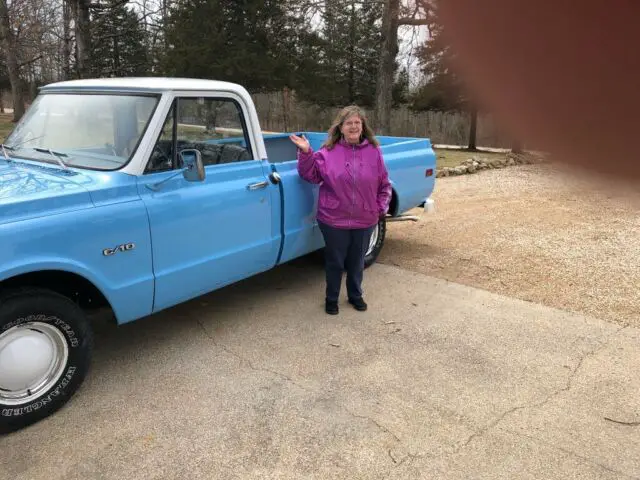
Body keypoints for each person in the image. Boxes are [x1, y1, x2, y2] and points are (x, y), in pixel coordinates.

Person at [290, 106, 392, 315]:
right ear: (341, 127)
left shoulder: (374, 152)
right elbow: (310, 174)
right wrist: (306, 152)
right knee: (335, 262)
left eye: (357, 122)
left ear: (363, 127)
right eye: (349, 123)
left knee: (357, 262)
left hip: (365, 219)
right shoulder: (328, 153)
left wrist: (379, 208)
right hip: (333, 219)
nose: (354, 126)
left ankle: (355, 295)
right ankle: (331, 299)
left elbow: (384, 184)